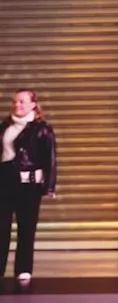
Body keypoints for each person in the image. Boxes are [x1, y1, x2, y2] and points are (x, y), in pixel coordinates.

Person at [0, 89, 54, 291]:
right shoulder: (5, 126)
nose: (17, 105)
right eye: (15, 102)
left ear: (33, 105)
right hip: (5, 182)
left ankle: (23, 269)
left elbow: (50, 159)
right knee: (1, 228)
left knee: (26, 229)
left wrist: (49, 185)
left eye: (22, 102)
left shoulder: (42, 129)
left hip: (28, 185)